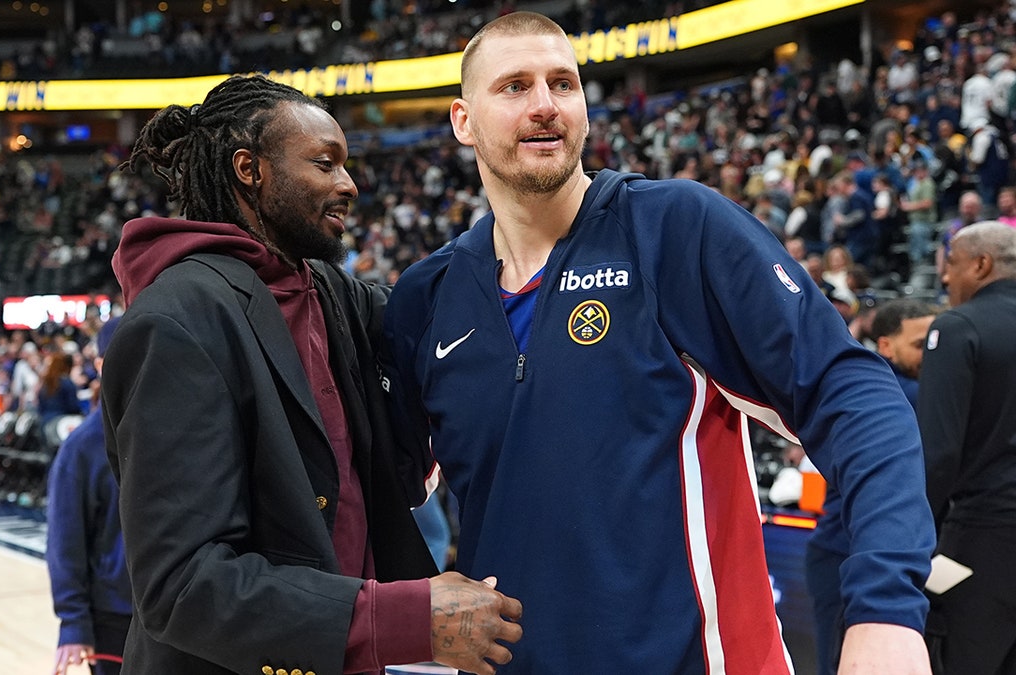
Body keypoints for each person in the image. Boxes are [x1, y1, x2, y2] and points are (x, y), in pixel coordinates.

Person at [381, 12, 935, 674]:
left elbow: (856, 396)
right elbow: (378, 489)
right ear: (463, 120)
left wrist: (885, 611)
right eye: (514, 86)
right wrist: (408, 604)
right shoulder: (428, 296)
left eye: (564, 82)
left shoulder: (673, 229)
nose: (545, 106)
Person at [100, 74, 521, 675]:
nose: (348, 184)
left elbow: (440, 312)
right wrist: (405, 620)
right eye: (324, 164)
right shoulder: (176, 321)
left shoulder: (328, 290)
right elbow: (184, 587)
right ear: (251, 170)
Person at [805, 296, 937, 675]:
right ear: (885, 345)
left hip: (867, 557)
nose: (931, 354)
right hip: (844, 554)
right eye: (918, 345)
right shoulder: (895, 392)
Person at [917, 221, 1016, 674]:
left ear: (981, 264)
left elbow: (938, 454)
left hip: (980, 540)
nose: (944, 277)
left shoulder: (958, 328)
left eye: (951, 264)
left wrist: (913, 539)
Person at [48, 316, 131, 675]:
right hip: (114, 615)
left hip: (180, 612)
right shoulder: (82, 447)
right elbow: (65, 539)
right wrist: (73, 622)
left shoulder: (180, 434)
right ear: (98, 365)